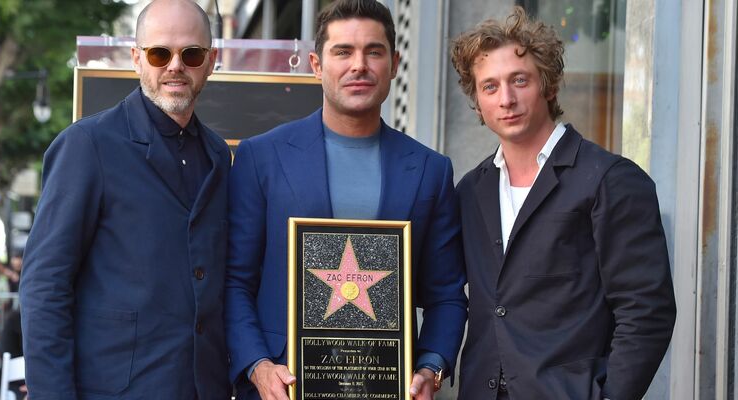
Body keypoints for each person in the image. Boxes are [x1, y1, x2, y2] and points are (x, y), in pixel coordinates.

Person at [225, 1, 467, 399]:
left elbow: (446, 295)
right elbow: (235, 280)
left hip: (389, 386)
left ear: (394, 63)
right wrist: (257, 365)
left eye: (374, 51)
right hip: (283, 387)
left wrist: (431, 367)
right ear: (318, 65)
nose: (359, 65)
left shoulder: (430, 170)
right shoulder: (261, 157)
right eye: (343, 52)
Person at [450, 7, 676, 400]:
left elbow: (646, 311)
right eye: (490, 87)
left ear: (549, 86)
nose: (506, 98)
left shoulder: (611, 180)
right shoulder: (471, 190)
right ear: (478, 102)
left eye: (519, 80)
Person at [19, 0, 230, 398]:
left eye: (191, 53)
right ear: (136, 59)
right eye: (159, 53)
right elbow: (45, 286)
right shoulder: (87, 146)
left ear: (211, 60)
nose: (175, 66)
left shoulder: (218, 156)